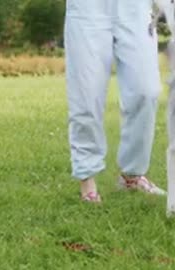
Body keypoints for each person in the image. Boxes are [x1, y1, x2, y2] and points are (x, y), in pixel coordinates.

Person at [64, 0, 165, 202]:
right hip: (87, 9)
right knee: (86, 95)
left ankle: (132, 174)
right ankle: (87, 178)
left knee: (146, 90)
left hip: (135, 8)